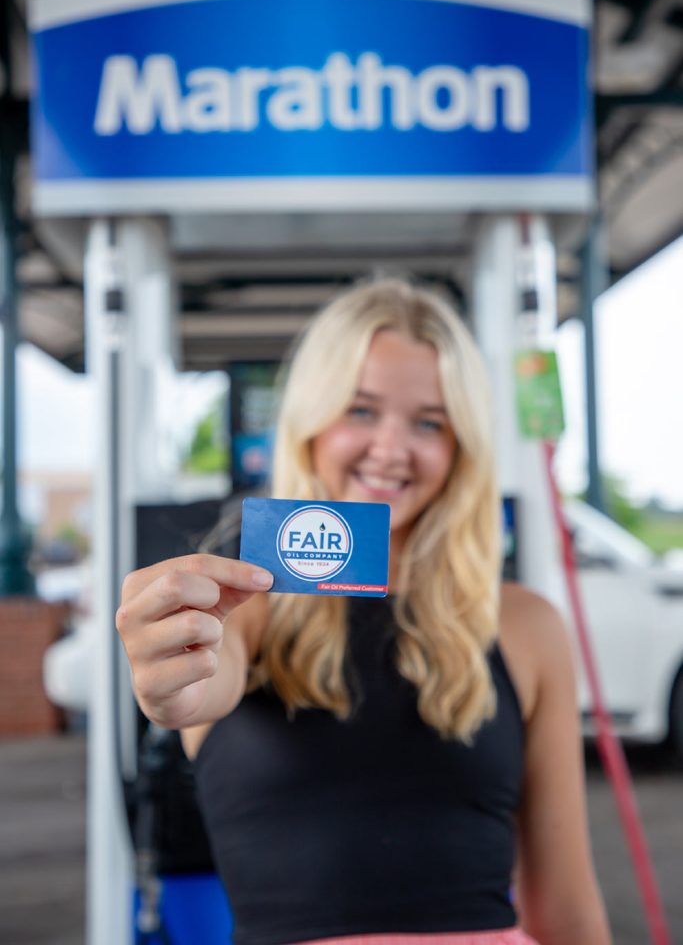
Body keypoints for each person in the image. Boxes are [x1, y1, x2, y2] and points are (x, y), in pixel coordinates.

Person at [117, 277, 612, 945]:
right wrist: (168, 672)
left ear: (461, 447)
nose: (389, 448)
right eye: (360, 410)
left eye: (428, 422)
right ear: (310, 424)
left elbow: (567, 911)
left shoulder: (524, 625)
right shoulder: (247, 607)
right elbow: (196, 690)